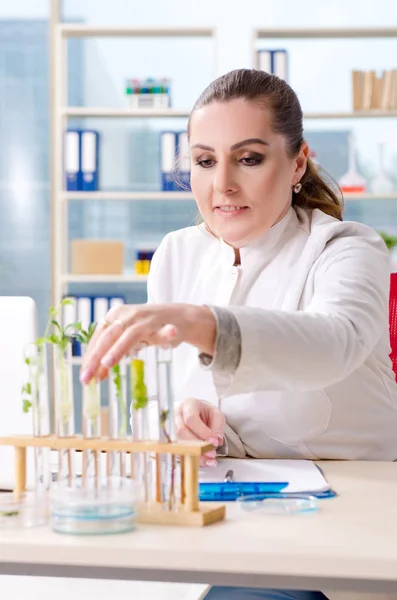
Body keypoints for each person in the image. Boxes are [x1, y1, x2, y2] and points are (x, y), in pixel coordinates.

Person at [80, 69, 397, 600]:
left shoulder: (347, 247)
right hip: (228, 520)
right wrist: (185, 424)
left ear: (298, 163)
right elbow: (175, 402)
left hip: (351, 525)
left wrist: (209, 323)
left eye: (248, 158)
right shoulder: (177, 254)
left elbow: (335, 341)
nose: (222, 184)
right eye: (205, 161)